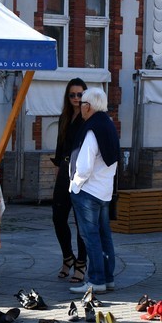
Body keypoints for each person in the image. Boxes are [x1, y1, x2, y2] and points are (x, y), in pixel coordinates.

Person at [67, 88, 119, 296]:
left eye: (81, 103)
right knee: (104, 235)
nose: (80, 107)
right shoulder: (108, 124)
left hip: (88, 190)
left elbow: (85, 164)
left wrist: (75, 184)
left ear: (87, 106)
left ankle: (97, 280)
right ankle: (108, 278)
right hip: (104, 190)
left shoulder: (91, 128)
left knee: (91, 237)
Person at [51, 78, 88, 283]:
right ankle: (68, 256)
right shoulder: (65, 116)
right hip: (64, 168)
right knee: (58, 216)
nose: (76, 98)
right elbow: (59, 146)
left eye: (80, 94)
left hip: (81, 171)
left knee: (80, 219)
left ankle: (81, 263)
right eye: (72, 95)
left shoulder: (87, 117)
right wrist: (57, 170)